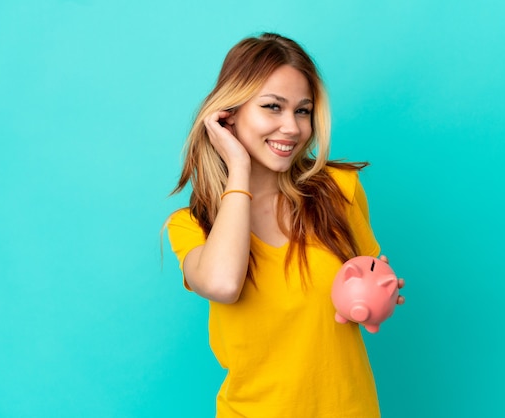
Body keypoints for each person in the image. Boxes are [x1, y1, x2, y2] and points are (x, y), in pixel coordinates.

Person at [166, 32, 405, 418]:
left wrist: (382, 298)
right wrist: (239, 170)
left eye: (303, 110)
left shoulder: (340, 191)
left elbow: (366, 280)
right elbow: (224, 285)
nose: (292, 128)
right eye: (273, 107)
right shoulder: (193, 226)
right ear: (229, 114)